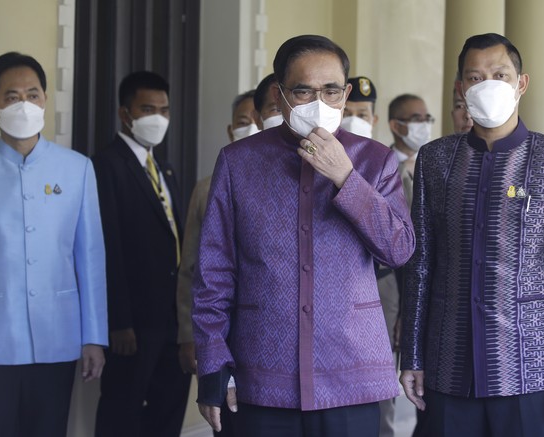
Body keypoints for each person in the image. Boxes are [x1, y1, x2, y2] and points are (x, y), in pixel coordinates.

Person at [192, 34, 415, 437]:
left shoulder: (374, 159)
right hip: (262, 376)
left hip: (351, 373)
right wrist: (212, 364)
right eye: (303, 90)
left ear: (345, 94)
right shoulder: (238, 162)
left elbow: (398, 248)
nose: (318, 102)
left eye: (330, 90)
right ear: (279, 96)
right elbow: (214, 273)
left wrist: (346, 178)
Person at [400, 32, 544, 437]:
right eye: (474, 77)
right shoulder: (435, 159)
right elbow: (421, 263)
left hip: (528, 366)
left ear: (521, 84)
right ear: (460, 88)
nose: (487, 85)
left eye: (500, 74)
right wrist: (412, 355)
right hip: (448, 363)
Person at [0, 51, 107, 436]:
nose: (24, 105)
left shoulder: (76, 168)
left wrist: (94, 337)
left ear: (45, 100)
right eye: (12, 96)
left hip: (57, 337)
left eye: (32, 94)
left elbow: (90, 258)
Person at [93, 71, 190, 437]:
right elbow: (107, 246)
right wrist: (118, 321)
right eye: (147, 109)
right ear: (125, 113)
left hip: (170, 319)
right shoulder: (106, 165)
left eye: (164, 110)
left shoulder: (164, 168)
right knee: (122, 410)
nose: (158, 118)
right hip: (132, 322)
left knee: (168, 410)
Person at [176, 88, 267, 437]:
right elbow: (192, 269)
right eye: (243, 123)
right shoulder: (208, 187)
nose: (253, 128)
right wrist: (190, 336)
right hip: (225, 336)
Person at [340, 75, 397, 437]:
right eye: (348, 111)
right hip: (340, 294)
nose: (354, 118)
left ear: (374, 120)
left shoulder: (384, 164)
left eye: (362, 113)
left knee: (380, 393)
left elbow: (404, 247)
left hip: (383, 288)